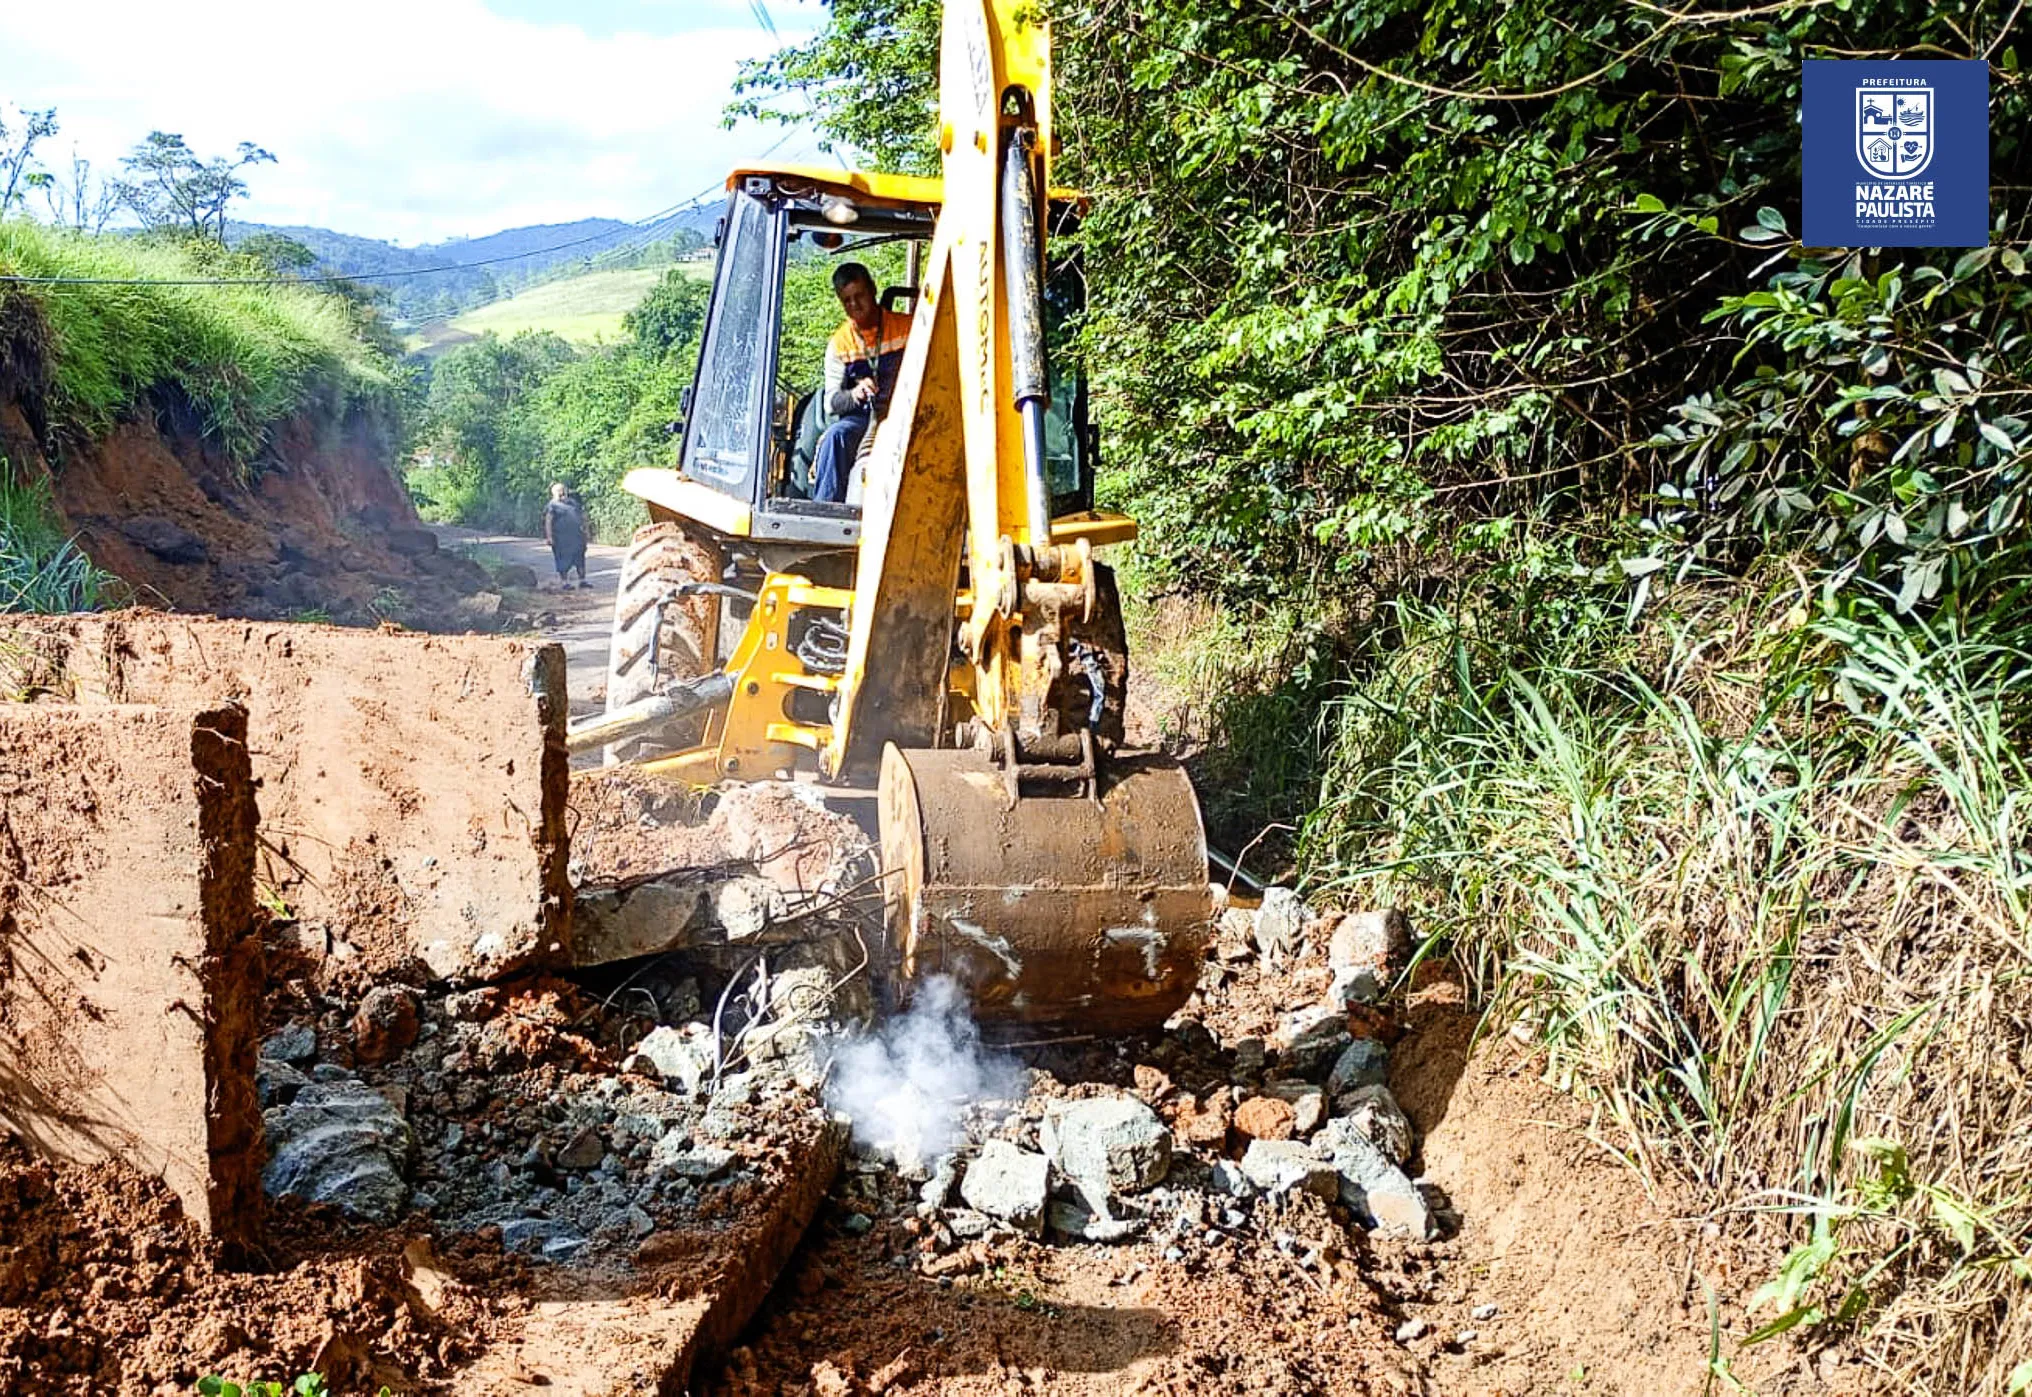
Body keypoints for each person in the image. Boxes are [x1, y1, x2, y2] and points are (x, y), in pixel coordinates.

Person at [811, 262, 911, 503]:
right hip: (862, 420)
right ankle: (825, 510)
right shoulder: (840, 343)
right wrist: (855, 393)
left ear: (873, 290)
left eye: (859, 296)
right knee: (836, 436)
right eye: (847, 300)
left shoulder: (908, 328)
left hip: (906, 415)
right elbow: (831, 403)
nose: (854, 305)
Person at [543, 482, 587, 589]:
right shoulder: (552, 505)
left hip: (577, 537)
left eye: (563, 490)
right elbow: (548, 521)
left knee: (580, 559)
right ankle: (565, 582)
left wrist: (586, 531)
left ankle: (582, 581)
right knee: (563, 560)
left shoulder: (573, 503)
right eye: (559, 491)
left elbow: (582, 517)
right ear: (553, 493)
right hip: (561, 539)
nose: (562, 493)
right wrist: (549, 537)